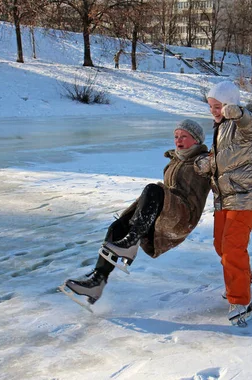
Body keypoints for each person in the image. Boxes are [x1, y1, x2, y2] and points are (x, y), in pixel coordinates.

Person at [59, 119, 211, 311]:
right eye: (176, 136)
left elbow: (220, 171)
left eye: (184, 136)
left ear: (196, 140)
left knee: (153, 189)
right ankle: (97, 282)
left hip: (183, 216)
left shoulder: (203, 161)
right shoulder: (176, 160)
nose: (178, 140)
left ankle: (131, 242)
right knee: (118, 227)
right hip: (166, 210)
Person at [195, 81, 252, 326]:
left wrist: (238, 112)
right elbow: (222, 160)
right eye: (211, 106)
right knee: (221, 245)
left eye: (218, 106)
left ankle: (241, 300)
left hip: (245, 194)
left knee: (232, 247)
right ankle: (241, 279)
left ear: (229, 105)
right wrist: (204, 164)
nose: (213, 110)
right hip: (223, 197)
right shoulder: (220, 129)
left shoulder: (243, 123)